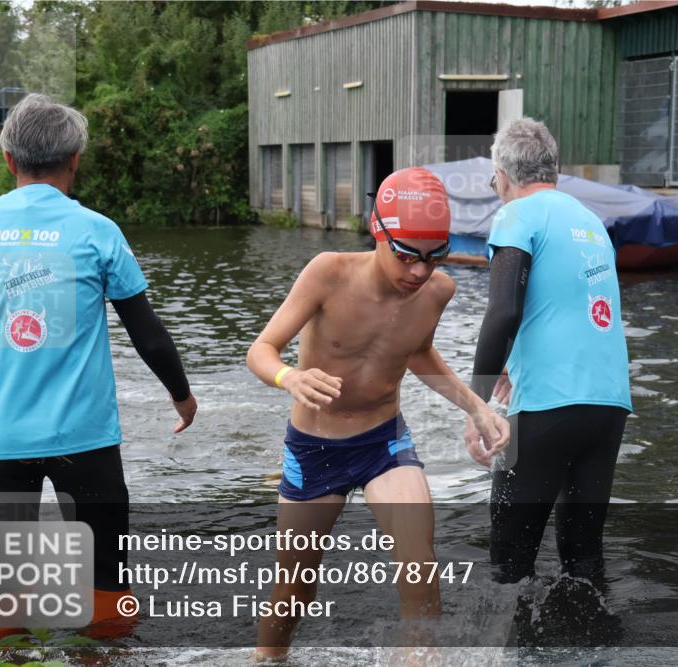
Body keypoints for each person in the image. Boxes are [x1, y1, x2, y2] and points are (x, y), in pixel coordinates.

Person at [0, 93, 197, 633]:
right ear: (75, 159)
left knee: (1, 612)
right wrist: (181, 395)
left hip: (1, 443)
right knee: (107, 601)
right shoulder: (97, 231)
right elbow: (149, 335)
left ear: (8, 160)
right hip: (88, 444)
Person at [247, 166, 510, 659]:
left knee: (419, 567)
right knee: (294, 588)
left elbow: (417, 353)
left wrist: (478, 407)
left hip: (383, 442)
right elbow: (261, 348)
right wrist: (291, 377)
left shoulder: (438, 292)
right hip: (314, 448)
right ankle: (267, 659)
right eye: (407, 255)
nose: (419, 272)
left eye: (434, 257)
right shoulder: (329, 272)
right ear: (378, 232)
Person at [467, 117, 632, 585]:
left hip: (547, 406)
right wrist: (511, 361)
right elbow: (565, 306)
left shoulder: (516, 214)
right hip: (608, 405)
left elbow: (503, 311)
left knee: (508, 561)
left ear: (502, 174)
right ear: (553, 169)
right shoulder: (590, 221)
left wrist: (478, 404)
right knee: (582, 560)